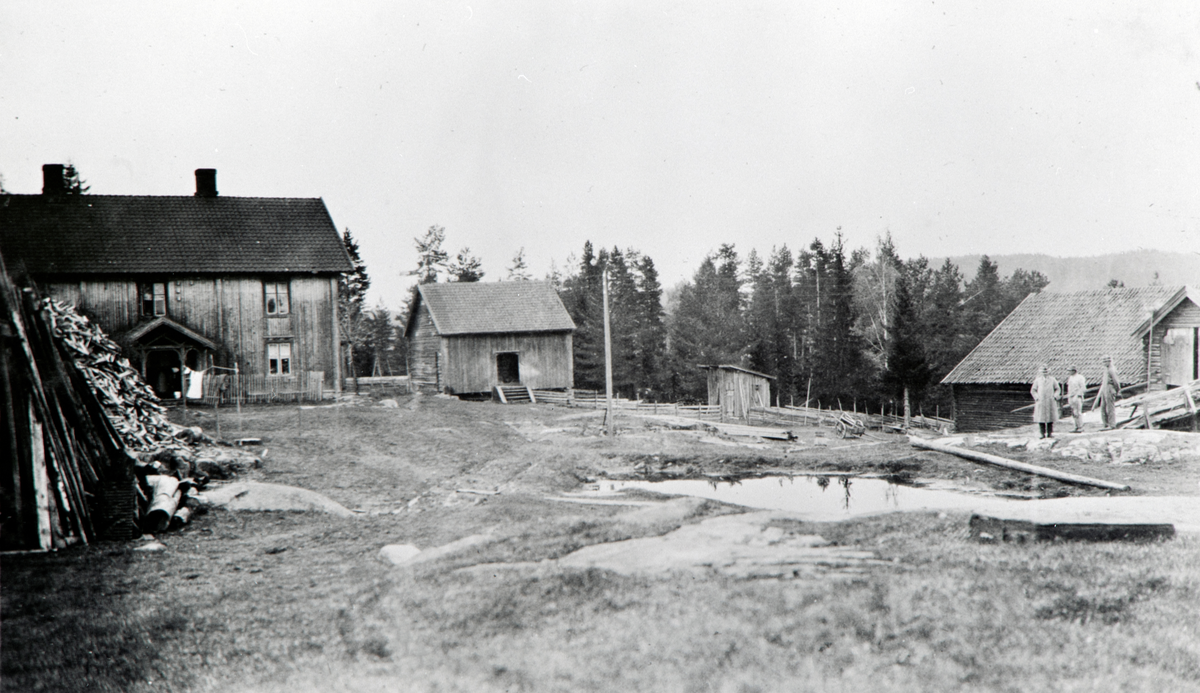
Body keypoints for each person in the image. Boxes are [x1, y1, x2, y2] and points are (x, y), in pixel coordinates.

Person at [1031, 364, 1061, 438]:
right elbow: (1033, 390)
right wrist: (1037, 397)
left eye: (1046, 372)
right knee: (1041, 418)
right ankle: (1042, 433)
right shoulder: (1037, 380)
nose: (1045, 373)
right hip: (1041, 401)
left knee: (1050, 417)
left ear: (1048, 372)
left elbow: (1057, 388)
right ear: (1040, 372)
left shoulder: (1052, 379)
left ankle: (1049, 433)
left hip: (1050, 400)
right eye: (1043, 372)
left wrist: (1055, 396)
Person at [1095, 355, 1120, 430]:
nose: (1104, 363)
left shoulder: (1112, 370)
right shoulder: (1106, 370)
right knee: (1103, 407)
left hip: (1110, 388)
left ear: (1109, 361)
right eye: (1103, 361)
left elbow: (1116, 382)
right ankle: (1105, 424)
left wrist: (1116, 390)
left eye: (1106, 361)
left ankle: (1112, 425)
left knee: (1110, 408)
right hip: (1105, 388)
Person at [1065, 366, 1087, 433]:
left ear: (1074, 371)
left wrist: (1077, 395)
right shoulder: (1070, 378)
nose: (1069, 372)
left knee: (1077, 412)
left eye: (1070, 371)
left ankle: (1080, 427)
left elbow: (1083, 388)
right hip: (1071, 396)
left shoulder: (1080, 378)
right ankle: (1076, 426)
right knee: (1073, 412)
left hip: (1077, 396)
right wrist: (1069, 397)